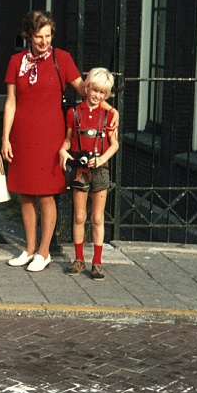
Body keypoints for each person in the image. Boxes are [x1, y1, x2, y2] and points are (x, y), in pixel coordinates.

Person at [2, 10, 116, 272]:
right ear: (28, 36)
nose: (44, 41)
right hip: (22, 134)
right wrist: (5, 138)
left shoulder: (61, 59)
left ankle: (44, 252)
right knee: (25, 193)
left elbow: (87, 92)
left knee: (45, 194)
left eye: (48, 35)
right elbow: (10, 102)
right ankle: (29, 249)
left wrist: (111, 111)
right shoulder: (15, 61)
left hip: (51, 135)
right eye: (38, 36)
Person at [59, 68, 119, 280]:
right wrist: (63, 150)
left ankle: (97, 262)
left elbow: (114, 144)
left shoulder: (109, 115)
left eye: (103, 93)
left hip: (100, 171)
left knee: (97, 217)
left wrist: (103, 159)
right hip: (80, 169)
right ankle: (78, 259)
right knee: (79, 216)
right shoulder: (74, 113)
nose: (97, 96)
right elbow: (68, 138)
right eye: (94, 90)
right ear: (87, 88)